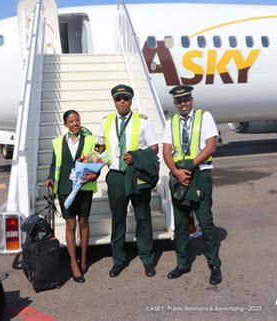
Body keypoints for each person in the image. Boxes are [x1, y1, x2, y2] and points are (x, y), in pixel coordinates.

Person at [162, 85, 222, 285]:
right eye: (179, 101)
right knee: (180, 223)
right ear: (175, 103)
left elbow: (211, 145)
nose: (183, 103)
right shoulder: (170, 122)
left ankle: (214, 264)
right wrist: (177, 172)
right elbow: (166, 150)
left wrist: (190, 165)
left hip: (200, 174)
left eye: (186, 99)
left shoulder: (204, 117)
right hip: (179, 175)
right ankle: (182, 262)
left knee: (205, 221)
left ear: (191, 99)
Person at [97, 84, 159, 278]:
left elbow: (154, 148)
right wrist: (95, 163)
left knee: (143, 217)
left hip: (137, 175)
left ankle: (147, 259)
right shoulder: (106, 121)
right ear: (114, 101)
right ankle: (118, 259)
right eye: (118, 98)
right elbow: (100, 147)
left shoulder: (143, 121)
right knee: (118, 219)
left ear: (131, 100)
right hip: (116, 176)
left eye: (125, 98)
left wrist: (136, 157)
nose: (122, 101)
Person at [44, 110, 98, 283]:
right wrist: (50, 177)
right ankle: (73, 263)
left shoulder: (90, 140)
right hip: (66, 188)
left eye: (77, 120)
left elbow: (97, 161)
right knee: (70, 223)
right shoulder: (58, 142)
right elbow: (54, 164)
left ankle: (84, 257)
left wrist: (95, 175)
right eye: (71, 121)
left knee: (83, 222)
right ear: (65, 124)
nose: (75, 123)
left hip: (84, 186)